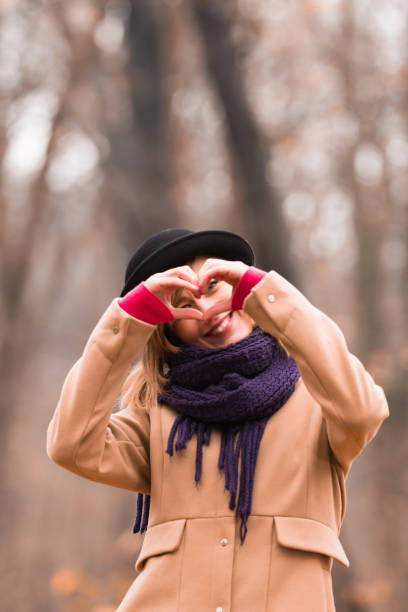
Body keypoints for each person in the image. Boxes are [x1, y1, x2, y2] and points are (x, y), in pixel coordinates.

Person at [46, 228, 389, 612]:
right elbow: (71, 445)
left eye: (213, 286)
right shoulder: (155, 414)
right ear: (167, 327)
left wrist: (267, 294)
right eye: (183, 302)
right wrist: (128, 320)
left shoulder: (320, 397)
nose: (206, 308)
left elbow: (364, 411)